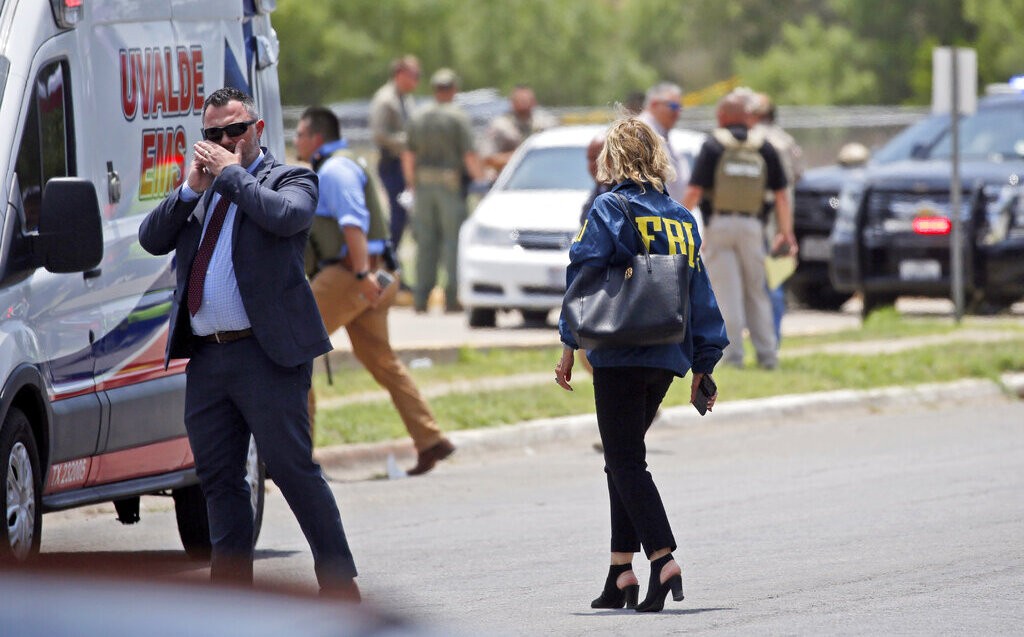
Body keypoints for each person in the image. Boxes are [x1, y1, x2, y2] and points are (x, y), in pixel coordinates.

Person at [139, 87, 360, 600]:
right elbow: (152, 239)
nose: (223, 142)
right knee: (218, 479)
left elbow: (285, 217)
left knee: (291, 468)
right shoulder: (206, 189)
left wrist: (231, 173)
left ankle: (338, 580)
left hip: (267, 356)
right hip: (209, 356)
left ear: (257, 129)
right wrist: (192, 189)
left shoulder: (290, 178)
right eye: (212, 135)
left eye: (234, 130)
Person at [555, 117, 728, 613]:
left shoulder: (609, 207)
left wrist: (569, 341)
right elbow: (700, 290)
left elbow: (583, 275)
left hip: (619, 349)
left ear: (613, 159)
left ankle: (663, 556)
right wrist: (704, 361)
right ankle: (619, 574)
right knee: (622, 458)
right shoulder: (680, 216)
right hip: (667, 354)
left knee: (626, 460)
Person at [295, 106, 456, 476]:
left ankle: (295, 457)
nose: (296, 141)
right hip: (378, 274)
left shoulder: (334, 170)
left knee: (294, 347)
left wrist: (362, 274)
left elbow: (353, 225)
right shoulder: (346, 163)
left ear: (316, 138)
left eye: (301, 134)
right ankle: (430, 439)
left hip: (354, 274)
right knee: (383, 361)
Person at [682, 91, 797, 370]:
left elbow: (695, 191)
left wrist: (677, 222)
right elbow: (781, 195)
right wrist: (786, 232)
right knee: (757, 292)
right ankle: (768, 355)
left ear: (722, 116)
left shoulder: (713, 146)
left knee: (726, 293)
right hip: (753, 227)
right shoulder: (764, 147)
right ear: (748, 117)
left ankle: (733, 358)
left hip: (720, 226)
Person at [401, 68, 482, 313]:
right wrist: (482, 179)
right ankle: (452, 298)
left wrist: (411, 184)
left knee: (425, 243)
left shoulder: (418, 116)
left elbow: (408, 155)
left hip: (423, 186)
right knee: (452, 243)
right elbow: (469, 155)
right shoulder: (458, 117)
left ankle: (420, 298)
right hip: (450, 186)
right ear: (453, 89)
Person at [751, 92, 804, 343]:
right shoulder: (787, 141)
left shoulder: (754, 141)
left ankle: (762, 340)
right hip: (784, 221)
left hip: (759, 219)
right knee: (776, 281)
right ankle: (774, 340)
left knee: (755, 284)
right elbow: (798, 176)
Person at [369, 55, 420, 256]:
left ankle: (393, 264)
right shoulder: (386, 99)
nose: (416, 80)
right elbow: (379, 134)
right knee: (398, 214)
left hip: (406, 163)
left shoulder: (406, 99)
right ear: (399, 74)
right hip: (391, 163)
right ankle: (389, 263)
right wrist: (408, 141)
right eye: (413, 75)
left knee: (404, 215)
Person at [480, 84, 557, 180]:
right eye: (520, 100)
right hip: (509, 180)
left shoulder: (546, 124)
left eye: (527, 100)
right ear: (511, 102)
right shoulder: (500, 126)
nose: (524, 103)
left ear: (534, 102)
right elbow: (488, 159)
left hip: (544, 178)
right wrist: (523, 156)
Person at [637, 83, 693, 208]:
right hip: (653, 212)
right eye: (673, 106)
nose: (677, 112)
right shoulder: (642, 130)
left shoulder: (660, 131)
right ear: (654, 104)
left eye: (679, 107)